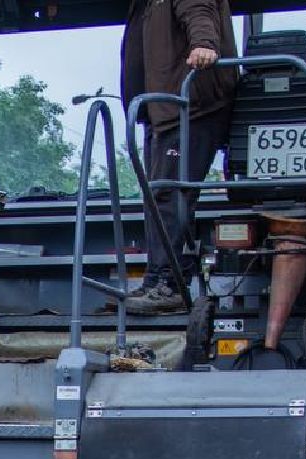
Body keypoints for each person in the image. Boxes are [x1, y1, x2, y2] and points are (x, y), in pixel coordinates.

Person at [121, 0, 239, 316]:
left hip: (191, 105)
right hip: (162, 109)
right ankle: (155, 280)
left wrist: (204, 43)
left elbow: (199, 8)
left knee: (169, 194)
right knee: (159, 196)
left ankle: (168, 285)